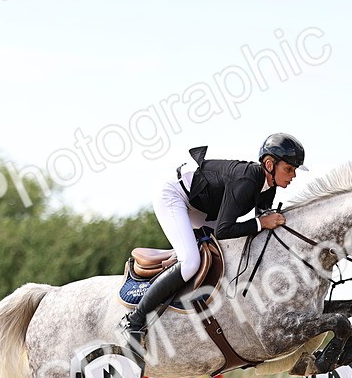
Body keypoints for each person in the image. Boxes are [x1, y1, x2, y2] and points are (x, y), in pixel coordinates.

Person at [118, 132, 308, 343]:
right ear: (270, 165)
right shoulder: (247, 179)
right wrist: (261, 223)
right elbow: (224, 231)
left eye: (295, 170)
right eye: (289, 169)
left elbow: (260, 230)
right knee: (190, 262)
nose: (293, 175)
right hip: (174, 194)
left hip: (201, 205)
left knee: (224, 254)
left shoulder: (268, 187)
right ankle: (134, 321)